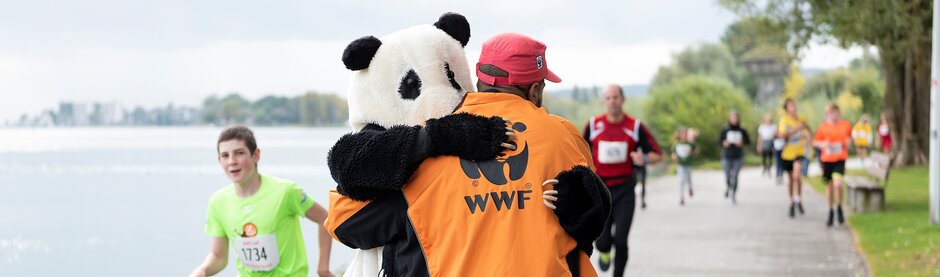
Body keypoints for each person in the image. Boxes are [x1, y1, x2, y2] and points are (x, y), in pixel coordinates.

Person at [326, 33, 609, 276]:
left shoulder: (434, 141)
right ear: (535, 90)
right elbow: (592, 213)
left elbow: (343, 223)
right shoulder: (565, 137)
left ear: (479, 79)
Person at [190, 125, 334, 277]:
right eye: (225, 155)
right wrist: (202, 270)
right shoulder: (217, 202)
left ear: (255, 155)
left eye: (239, 153)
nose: (232, 161)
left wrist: (323, 268)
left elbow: (325, 219)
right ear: (219, 160)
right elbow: (219, 257)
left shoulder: (286, 191)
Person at [585, 84, 663, 277]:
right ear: (604, 101)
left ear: (623, 99)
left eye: (616, 97)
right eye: (608, 98)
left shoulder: (634, 126)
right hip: (600, 190)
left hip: (625, 190)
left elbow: (657, 154)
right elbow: (579, 151)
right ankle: (604, 253)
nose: (612, 101)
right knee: (602, 242)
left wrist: (643, 158)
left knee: (621, 240)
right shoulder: (593, 125)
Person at [813, 104, 852, 227]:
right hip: (827, 160)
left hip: (840, 159)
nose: (834, 115)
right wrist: (823, 144)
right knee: (829, 187)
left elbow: (849, 140)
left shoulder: (845, 125)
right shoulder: (823, 127)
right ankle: (831, 210)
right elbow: (815, 141)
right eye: (831, 113)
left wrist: (848, 143)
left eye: (836, 112)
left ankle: (839, 206)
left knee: (838, 184)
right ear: (828, 114)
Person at [778, 98, 811, 218]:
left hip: (799, 151)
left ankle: (798, 199)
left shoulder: (801, 119)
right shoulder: (784, 120)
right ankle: (791, 201)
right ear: (786, 108)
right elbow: (782, 134)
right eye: (790, 106)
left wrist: (808, 139)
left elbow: (808, 131)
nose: (793, 107)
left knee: (797, 176)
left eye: (794, 105)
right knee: (791, 178)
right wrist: (796, 129)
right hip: (787, 153)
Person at [719, 110, 751, 204]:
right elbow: (719, 141)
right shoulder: (725, 130)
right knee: (727, 176)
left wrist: (742, 143)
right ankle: (728, 187)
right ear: (729, 119)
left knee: (735, 176)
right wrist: (724, 143)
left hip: (738, 156)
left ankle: (733, 194)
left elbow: (748, 141)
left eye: (735, 117)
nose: (734, 119)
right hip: (727, 156)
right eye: (732, 117)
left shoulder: (742, 130)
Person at [672, 127, 698, 206]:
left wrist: (692, 153)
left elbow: (695, 152)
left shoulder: (690, 144)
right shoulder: (676, 144)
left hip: (688, 164)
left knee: (689, 179)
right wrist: (674, 157)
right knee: (681, 181)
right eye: (682, 134)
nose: (683, 135)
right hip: (681, 165)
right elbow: (673, 154)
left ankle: (690, 188)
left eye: (685, 134)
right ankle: (681, 197)